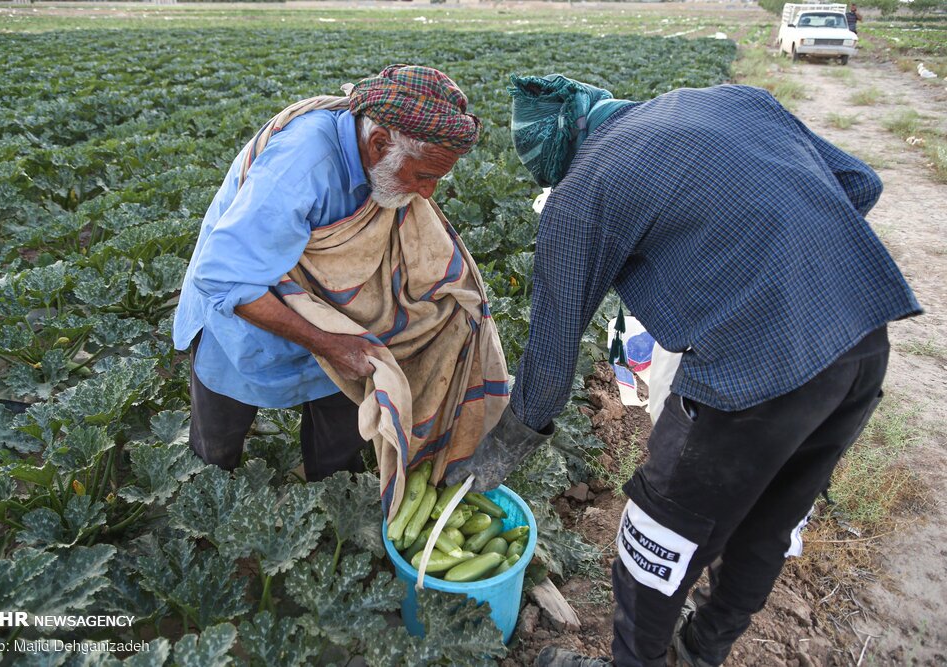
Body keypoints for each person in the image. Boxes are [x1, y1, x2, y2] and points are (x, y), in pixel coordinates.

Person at [446, 76, 921, 667]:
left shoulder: (582, 191)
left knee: (656, 539)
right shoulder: (729, 98)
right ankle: (699, 653)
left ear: (563, 158)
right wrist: (782, 266)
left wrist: (502, 447)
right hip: (860, 340)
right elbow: (860, 182)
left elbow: (549, 361)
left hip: (752, 378)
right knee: (768, 524)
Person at [172, 65, 482, 481]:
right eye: (425, 176)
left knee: (340, 441)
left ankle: (337, 498)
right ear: (377, 143)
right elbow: (228, 281)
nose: (428, 194)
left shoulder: (383, 164)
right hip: (244, 317)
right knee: (218, 443)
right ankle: (208, 506)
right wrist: (329, 343)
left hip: (337, 313)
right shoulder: (301, 167)